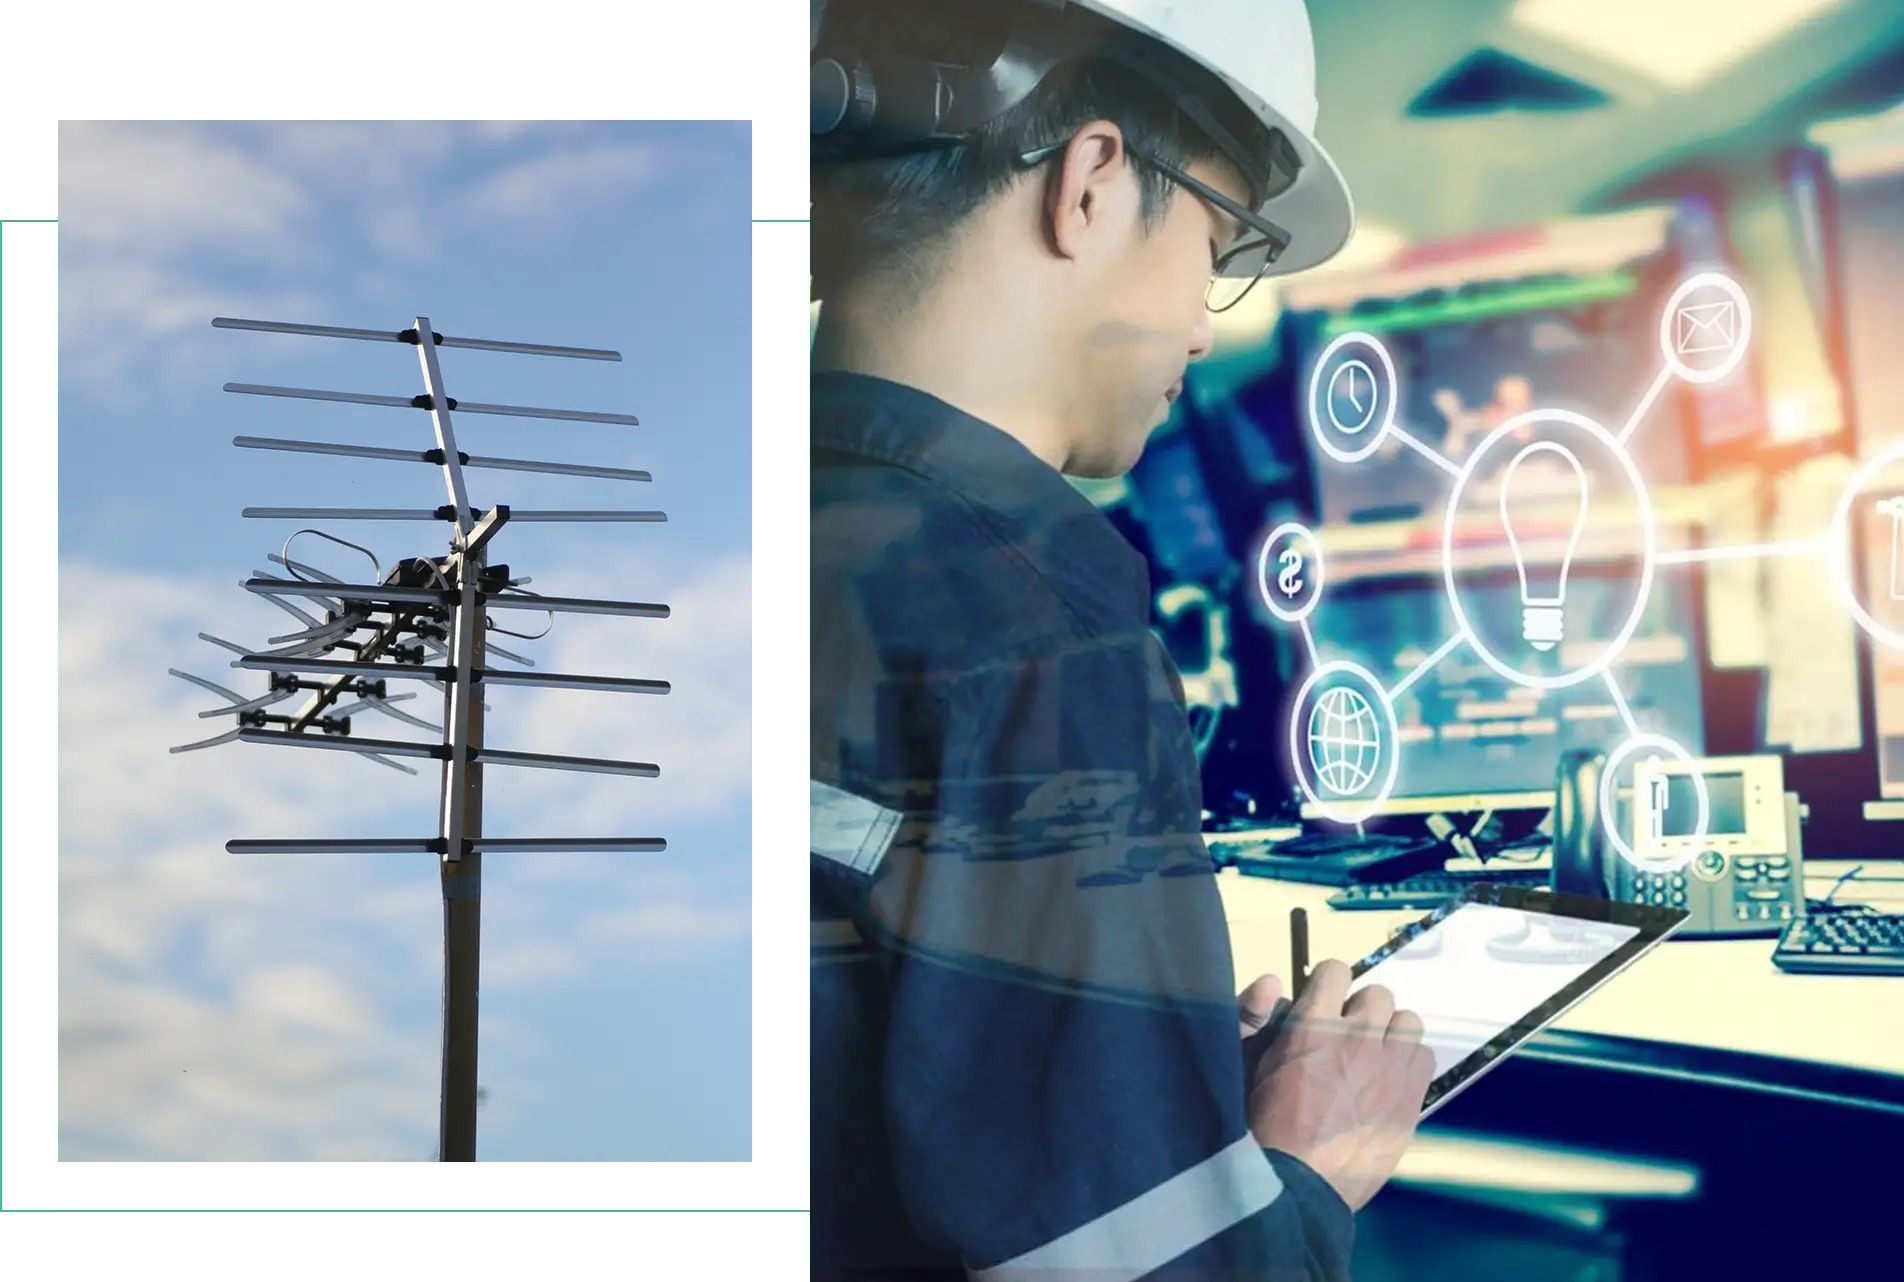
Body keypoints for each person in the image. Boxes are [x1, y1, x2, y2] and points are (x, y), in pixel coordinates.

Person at [807, 1, 1437, 1277]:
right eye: (1216, 246)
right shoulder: (1032, 629)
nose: (1205, 326)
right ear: (1090, 182)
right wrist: (1303, 1169)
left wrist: (1150, 1088)